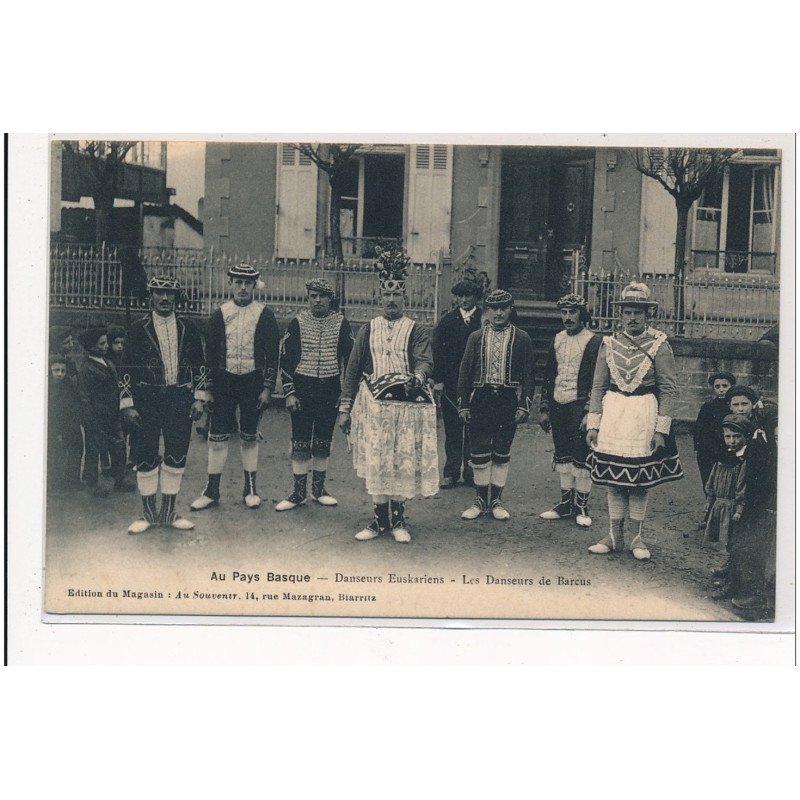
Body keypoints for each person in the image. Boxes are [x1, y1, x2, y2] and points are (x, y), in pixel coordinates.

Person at [336, 246, 438, 543]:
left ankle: (398, 520)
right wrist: (345, 408)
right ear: (379, 298)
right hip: (374, 406)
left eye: (397, 295)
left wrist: (418, 376)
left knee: (399, 460)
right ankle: (379, 519)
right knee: (379, 460)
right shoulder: (368, 329)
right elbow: (353, 368)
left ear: (405, 298)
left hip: (406, 407)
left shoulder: (415, 329)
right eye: (386, 295)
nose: (391, 300)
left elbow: (425, 360)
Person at [585, 281, 683, 560]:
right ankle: (614, 536)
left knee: (638, 479)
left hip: (644, 414)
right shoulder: (608, 343)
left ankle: (637, 538)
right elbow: (597, 386)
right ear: (621, 314)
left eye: (638, 313)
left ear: (648, 315)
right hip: (615, 414)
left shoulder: (660, 344)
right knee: (614, 479)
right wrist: (594, 424)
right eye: (627, 312)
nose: (632, 318)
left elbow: (669, 389)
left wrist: (661, 429)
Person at [120, 275, 208, 534]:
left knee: (176, 454)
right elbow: (126, 367)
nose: (165, 298)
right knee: (146, 454)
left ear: (177, 297)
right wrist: (127, 405)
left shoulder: (188, 328)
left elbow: (199, 364)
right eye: (159, 293)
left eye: (170, 293)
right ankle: (147, 514)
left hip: (179, 399)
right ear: (151, 296)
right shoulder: (138, 328)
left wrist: (199, 398)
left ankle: (169, 513)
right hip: (146, 400)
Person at [190, 264, 280, 511]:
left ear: (254, 286)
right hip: (223, 381)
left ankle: (250, 489)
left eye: (247, 283)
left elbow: (272, 355)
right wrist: (207, 388)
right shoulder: (220, 314)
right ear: (229, 284)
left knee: (249, 435)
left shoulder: (265, 314)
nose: (242, 287)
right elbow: (210, 354)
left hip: (253, 380)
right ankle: (211, 491)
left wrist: (267, 388)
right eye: (238, 282)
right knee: (217, 436)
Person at [457, 289, 535, 521]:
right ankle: (480, 500)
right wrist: (463, 405)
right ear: (487, 311)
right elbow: (464, 373)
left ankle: (497, 501)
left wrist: (524, 405)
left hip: (506, 399)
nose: (499, 313)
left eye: (503, 308)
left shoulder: (522, 338)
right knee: (479, 451)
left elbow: (529, 376)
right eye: (494, 309)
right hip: (481, 399)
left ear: (511, 310)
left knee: (501, 450)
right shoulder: (476, 337)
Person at [276, 279, 353, 511]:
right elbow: (286, 360)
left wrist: (345, 394)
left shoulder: (341, 323)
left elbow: (351, 361)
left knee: (323, 440)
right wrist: (289, 393)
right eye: (313, 296)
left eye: (322, 296)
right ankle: (298, 493)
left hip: (330, 389)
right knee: (300, 440)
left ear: (330, 298)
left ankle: (318, 490)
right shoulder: (297, 323)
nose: (317, 300)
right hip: (302, 388)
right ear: (308, 298)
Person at [712, 385, 778, 615]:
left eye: (745, 404)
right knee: (735, 541)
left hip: (758, 493)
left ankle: (755, 596)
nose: (740, 409)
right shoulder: (734, 428)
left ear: (753, 405)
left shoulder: (762, 430)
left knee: (753, 543)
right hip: (738, 492)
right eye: (736, 404)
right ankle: (734, 583)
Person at [538, 293, 602, 527]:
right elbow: (548, 376)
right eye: (563, 313)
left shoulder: (594, 342)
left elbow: (598, 381)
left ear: (582, 314)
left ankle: (582, 506)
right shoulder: (557, 339)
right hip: (558, 404)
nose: (567, 318)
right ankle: (566, 504)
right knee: (562, 452)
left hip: (580, 406)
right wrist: (544, 407)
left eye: (572, 312)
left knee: (581, 454)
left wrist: (589, 412)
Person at [432, 277, 484, 489]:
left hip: (475, 382)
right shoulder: (447, 320)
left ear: (476, 297)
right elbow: (438, 352)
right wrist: (439, 380)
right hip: (452, 382)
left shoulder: (484, 320)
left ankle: (472, 471)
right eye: (460, 296)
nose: (464, 300)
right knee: (453, 428)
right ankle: (451, 472)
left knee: (473, 426)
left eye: (468, 295)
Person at [76, 327, 132, 496]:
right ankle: (92, 486)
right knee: (93, 450)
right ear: (91, 346)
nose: (106, 346)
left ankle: (120, 480)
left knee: (119, 446)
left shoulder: (107, 362)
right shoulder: (86, 368)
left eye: (106, 342)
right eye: (102, 343)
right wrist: (89, 419)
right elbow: (84, 396)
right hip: (97, 416)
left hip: (112, 414)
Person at [693, 371, 736, 527]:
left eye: (725, 386)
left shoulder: (734, 407)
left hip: (728, 451)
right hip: (708, 453)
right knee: (709, 485)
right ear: (713, 388)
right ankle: (709, 516)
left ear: (731, 387)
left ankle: (725, 518)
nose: (721, 389)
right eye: (717, 386)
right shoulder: (708, 407)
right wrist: (701, 449)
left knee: (726, 486)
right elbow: (699, 429)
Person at [702, 413, 750, 553]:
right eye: (728, 437)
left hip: (732, 504)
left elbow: (742, 488)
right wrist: (708, 500)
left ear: (745, 437)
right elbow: (712, 480)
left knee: (730, 531)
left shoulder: (744, 461)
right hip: (719, 502)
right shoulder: (721, 459)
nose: (732, 441)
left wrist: (739, 509)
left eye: (736, 436)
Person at [47, 355, 83, 493]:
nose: (60, 374)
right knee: (57, 454)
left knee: (76, 450)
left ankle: (72, 481)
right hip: (55, 427)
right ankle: (56, 484)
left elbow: (76, 403)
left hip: (72, 424)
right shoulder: (48, 388)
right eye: (56, 370)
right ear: (50, 370)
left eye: (63, 370)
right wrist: (57, 432)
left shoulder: (69, 384)